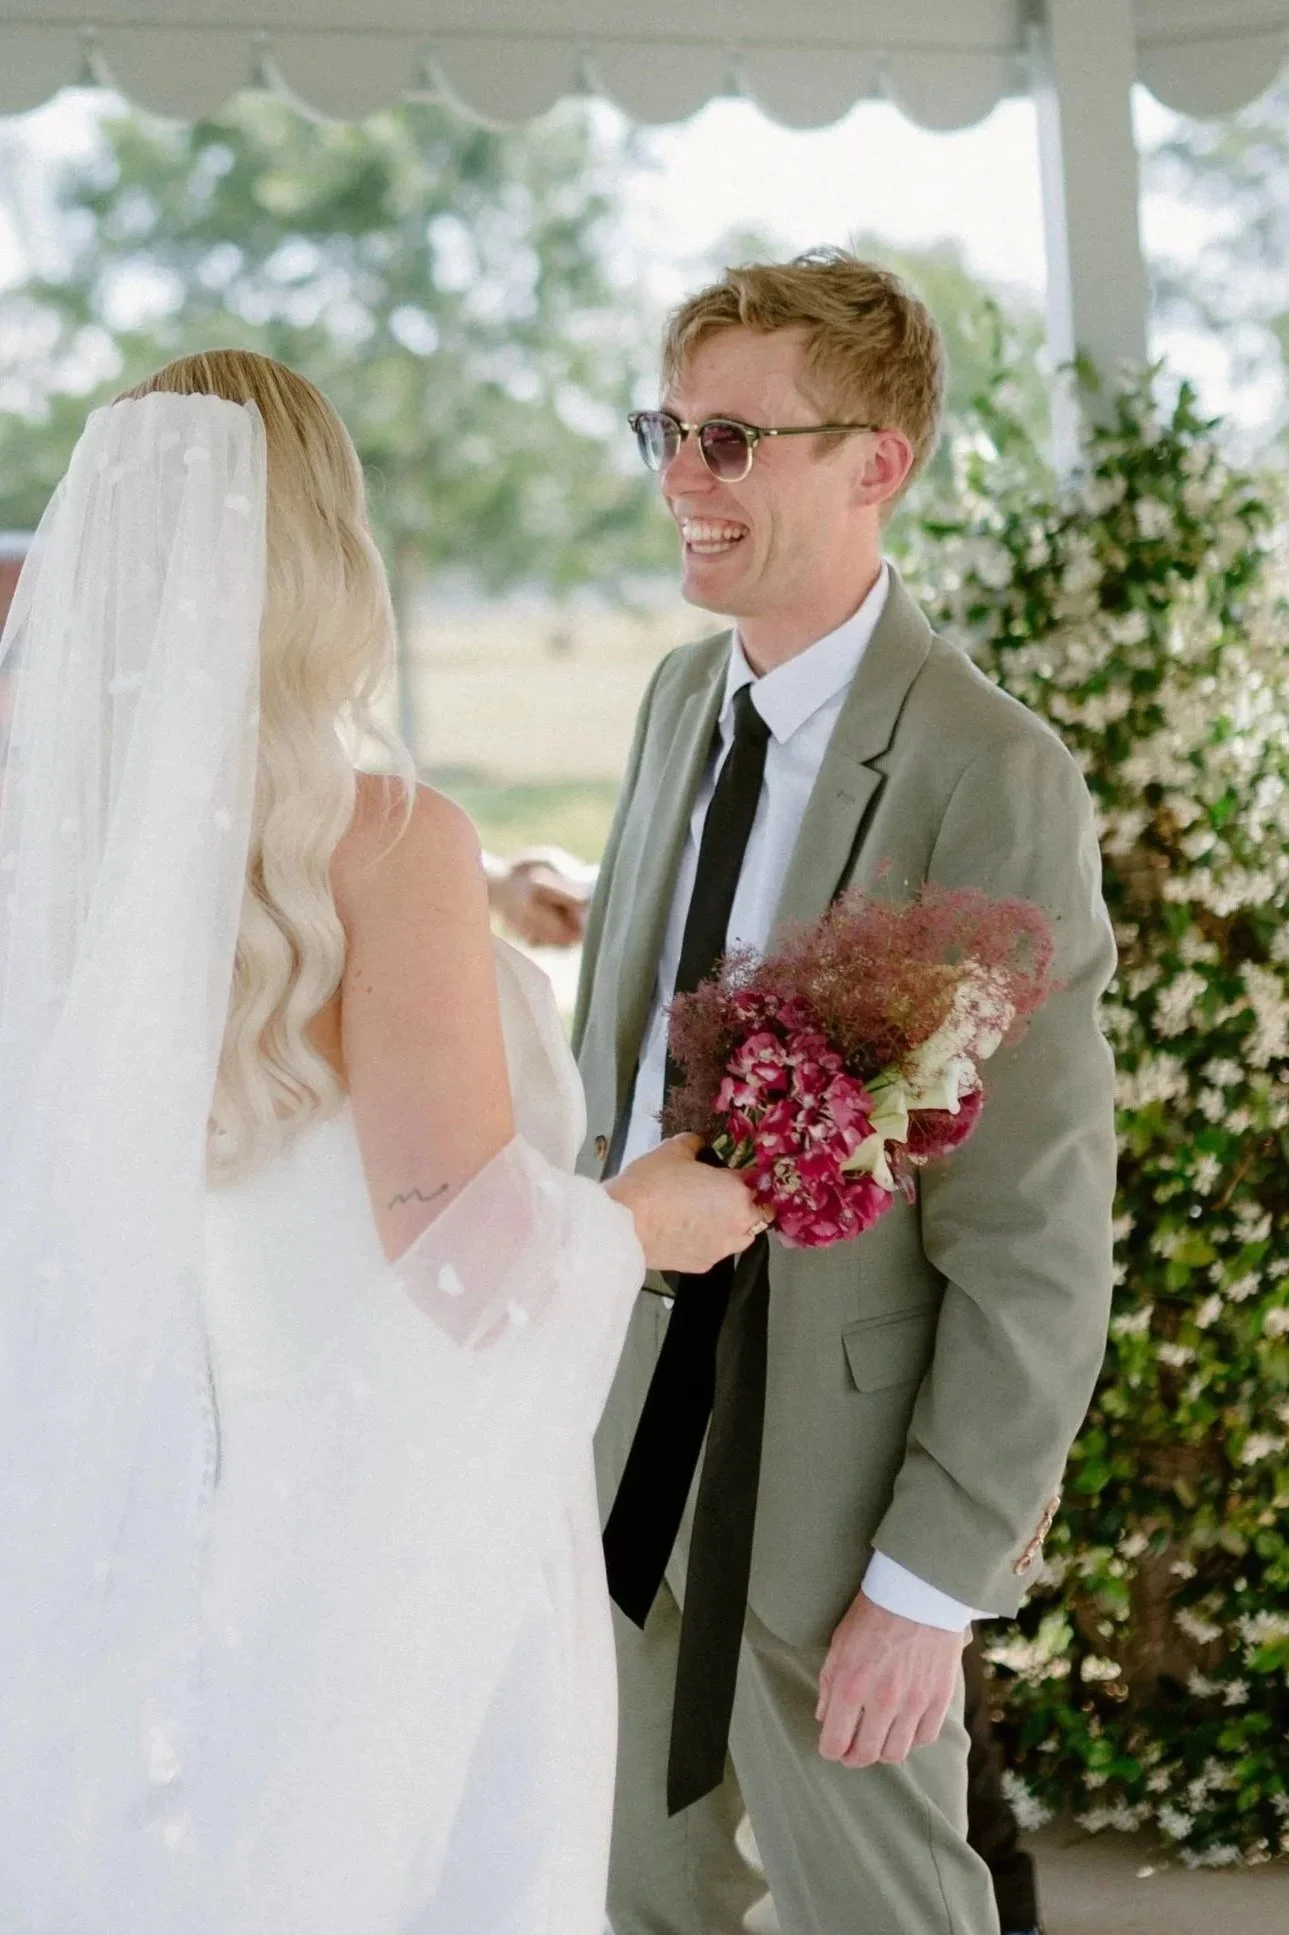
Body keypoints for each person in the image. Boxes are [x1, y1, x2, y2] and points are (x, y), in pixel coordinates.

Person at [0, 350, 761, 1935]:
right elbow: (466, 1267)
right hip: (391, 1541)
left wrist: (478, 920)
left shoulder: (67, 875)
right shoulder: (392, 841)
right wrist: (643, 1217)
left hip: (173, 1544)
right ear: (318, 553)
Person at [573, 250, 1117, 1935]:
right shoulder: (681, 700)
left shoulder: (990, 771)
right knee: (636, 1906)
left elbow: (1032, 1235)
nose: (682, 478)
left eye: (733, 440)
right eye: (671, 428)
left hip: (835, 1509)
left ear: (875, 460)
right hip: (618, 1472)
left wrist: (933, 1578)